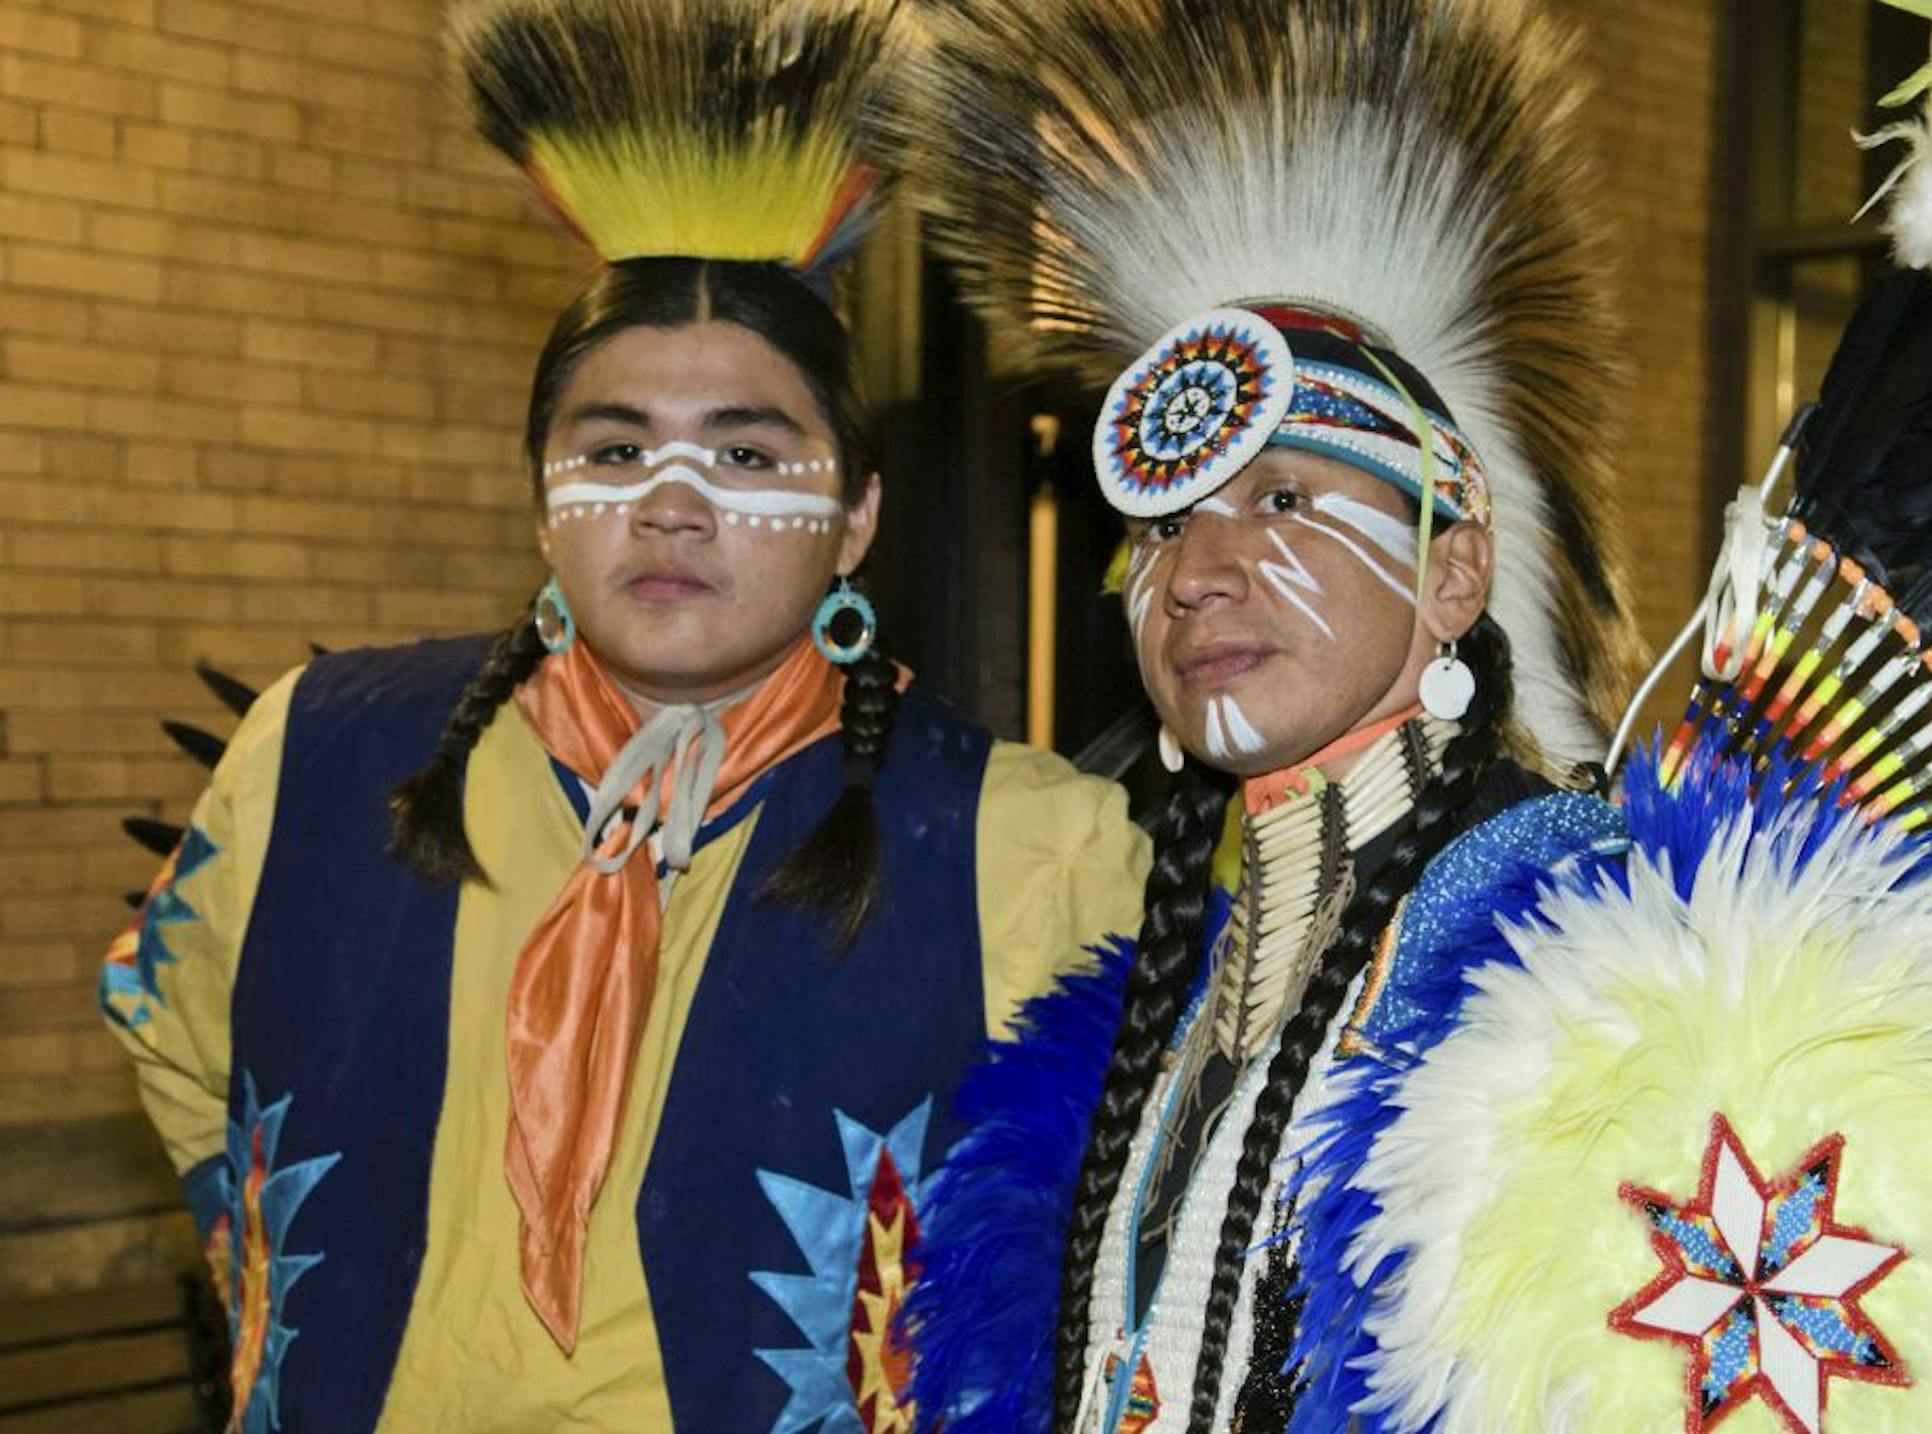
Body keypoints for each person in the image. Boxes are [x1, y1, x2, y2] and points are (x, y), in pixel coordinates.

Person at [893, 1, 1932, 1430]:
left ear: (1454, 570)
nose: (1203, 568)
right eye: (1171, 524)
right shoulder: (1156, 1000)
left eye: (1287, 500)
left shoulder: (1615, 972)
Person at [96, 2, 1147, 1429]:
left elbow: (1103, 1238)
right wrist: (292, 1307)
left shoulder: (1024, 842)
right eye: (613, 445)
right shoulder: (319, 753)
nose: (670, 502)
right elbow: (168, 1023)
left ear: (853, 519)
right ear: (542, 494)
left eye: (746, 449)